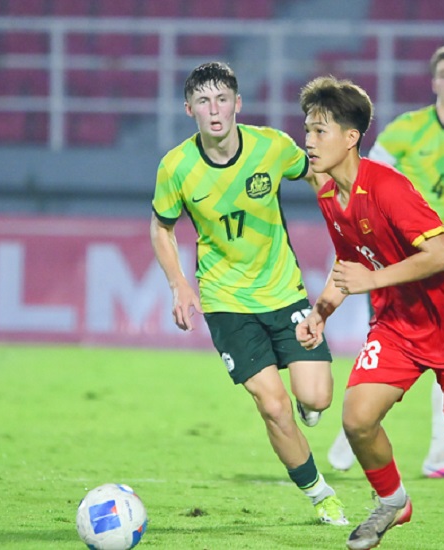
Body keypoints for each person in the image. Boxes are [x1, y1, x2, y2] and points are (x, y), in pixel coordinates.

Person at [296, 75, 444, 549]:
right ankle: (393, 502)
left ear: (351, 138)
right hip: (397, 326)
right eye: (307, 130)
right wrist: (321, 312)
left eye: (320, 131)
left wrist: (372, 281)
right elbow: (349, 262)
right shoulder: (328, 196)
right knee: (357, 418)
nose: (309, 140)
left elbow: (442, 254)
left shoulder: (388, 186)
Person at [149, 61, 347, 525]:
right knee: (273, 406)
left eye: (222, 99)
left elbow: (315, 172)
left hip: (284, 292)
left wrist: (340, 211)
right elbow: (161, 228)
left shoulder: (271, 146)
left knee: (317, 398)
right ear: (189, 110)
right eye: (203, 101)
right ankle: (320, 494)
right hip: (226, 302)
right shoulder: (176, 167)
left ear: (237, 103)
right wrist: (179, 284)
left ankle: (308, 403)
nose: (214, 110)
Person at [327, 43, 444, 481]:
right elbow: (361, 176)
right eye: (443, 74)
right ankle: (354, 433)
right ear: (434, 83)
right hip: (391, 258)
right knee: (392, 341)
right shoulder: (408, 129)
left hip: (436, 261)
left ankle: (437, 454)